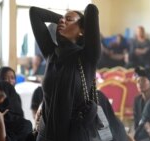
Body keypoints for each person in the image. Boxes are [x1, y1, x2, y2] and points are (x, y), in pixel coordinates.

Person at [29, 3, 101, 141]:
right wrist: (62, 19)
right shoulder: (51, 53)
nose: (62, 21)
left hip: (74, 135)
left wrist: (79, 21)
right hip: (46, 135)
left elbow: (91, 9)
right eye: (61, 19)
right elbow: (34, 13)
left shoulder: (88, 56)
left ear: (82, 31)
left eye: (69, 19)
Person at [133, 67, 150, 140]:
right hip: (141, 136)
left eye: (143, 81)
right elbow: (136, 123)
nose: (139, 84)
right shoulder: (137, 100)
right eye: (138, 81)